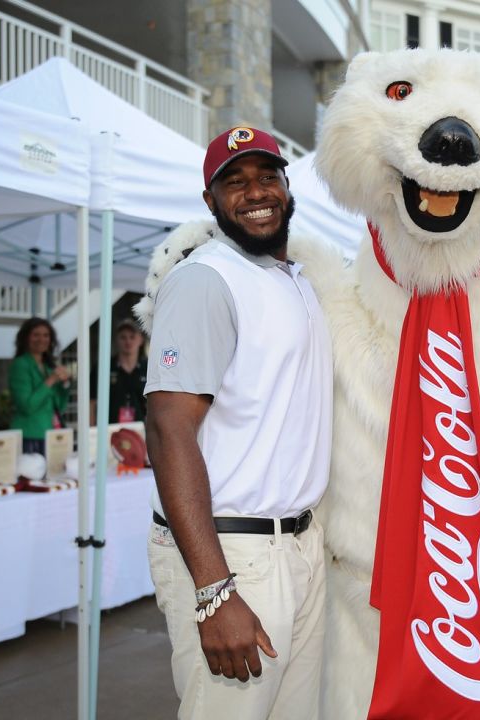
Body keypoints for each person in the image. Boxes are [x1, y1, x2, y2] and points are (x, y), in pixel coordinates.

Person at [143, 126, 332, 719]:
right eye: (234, 181)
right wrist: (213, 589)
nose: (255, 192)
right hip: (233, 555)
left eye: (266, 176)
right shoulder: (206, 280)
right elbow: (168, 431)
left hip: (299, 545)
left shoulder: (294, 280)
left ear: (285, 185)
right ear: (210, 201)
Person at [9, 317, 71, 455]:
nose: (41, 339)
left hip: (51, 432)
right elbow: (27, 406)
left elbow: (59, 407)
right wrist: (51, 381)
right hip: (30, 435)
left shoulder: (49, 366)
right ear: (26, 338)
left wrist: (65, 385)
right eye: (36, 334)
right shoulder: (20, 365)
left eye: (45, 335)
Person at [90, 319, 148, 423]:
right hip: (109, 431)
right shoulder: (103, 367)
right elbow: (91, 402)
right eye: (123, 337)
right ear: (116, 340)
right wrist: (92, 433)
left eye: (132, 337)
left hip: (142, 431)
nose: (128, 341)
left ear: (141, 340)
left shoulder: (149, 368)